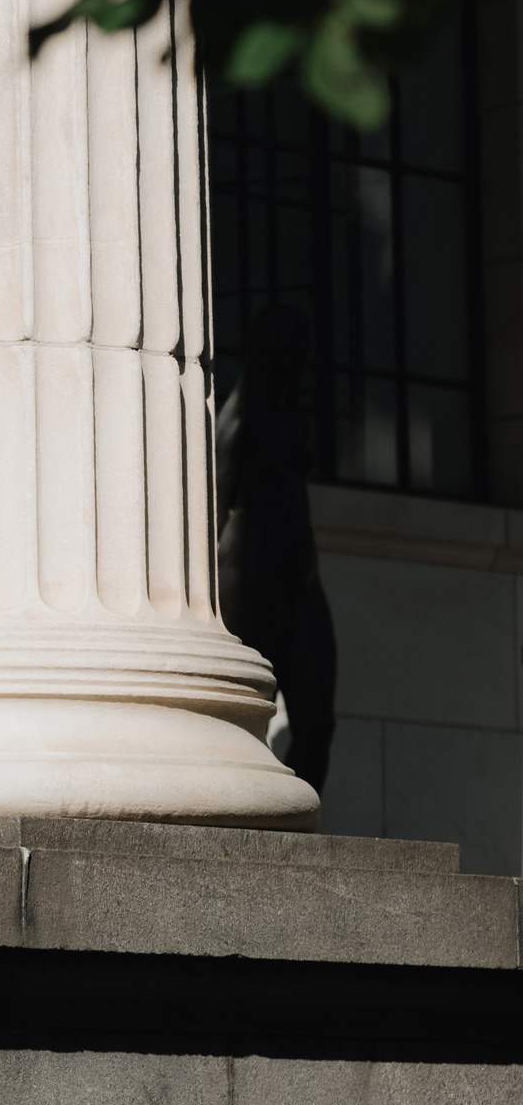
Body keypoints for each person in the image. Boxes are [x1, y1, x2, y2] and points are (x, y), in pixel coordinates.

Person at [217, 303, 337, 792]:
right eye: (294, 353)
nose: (304, 363)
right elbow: (212, 507)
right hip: (251, 579)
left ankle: (298, 812)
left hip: (302, 581)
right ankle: (246, 811)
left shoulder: (293, 417)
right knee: (245, 720)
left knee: (318, 721)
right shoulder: (238, 421)